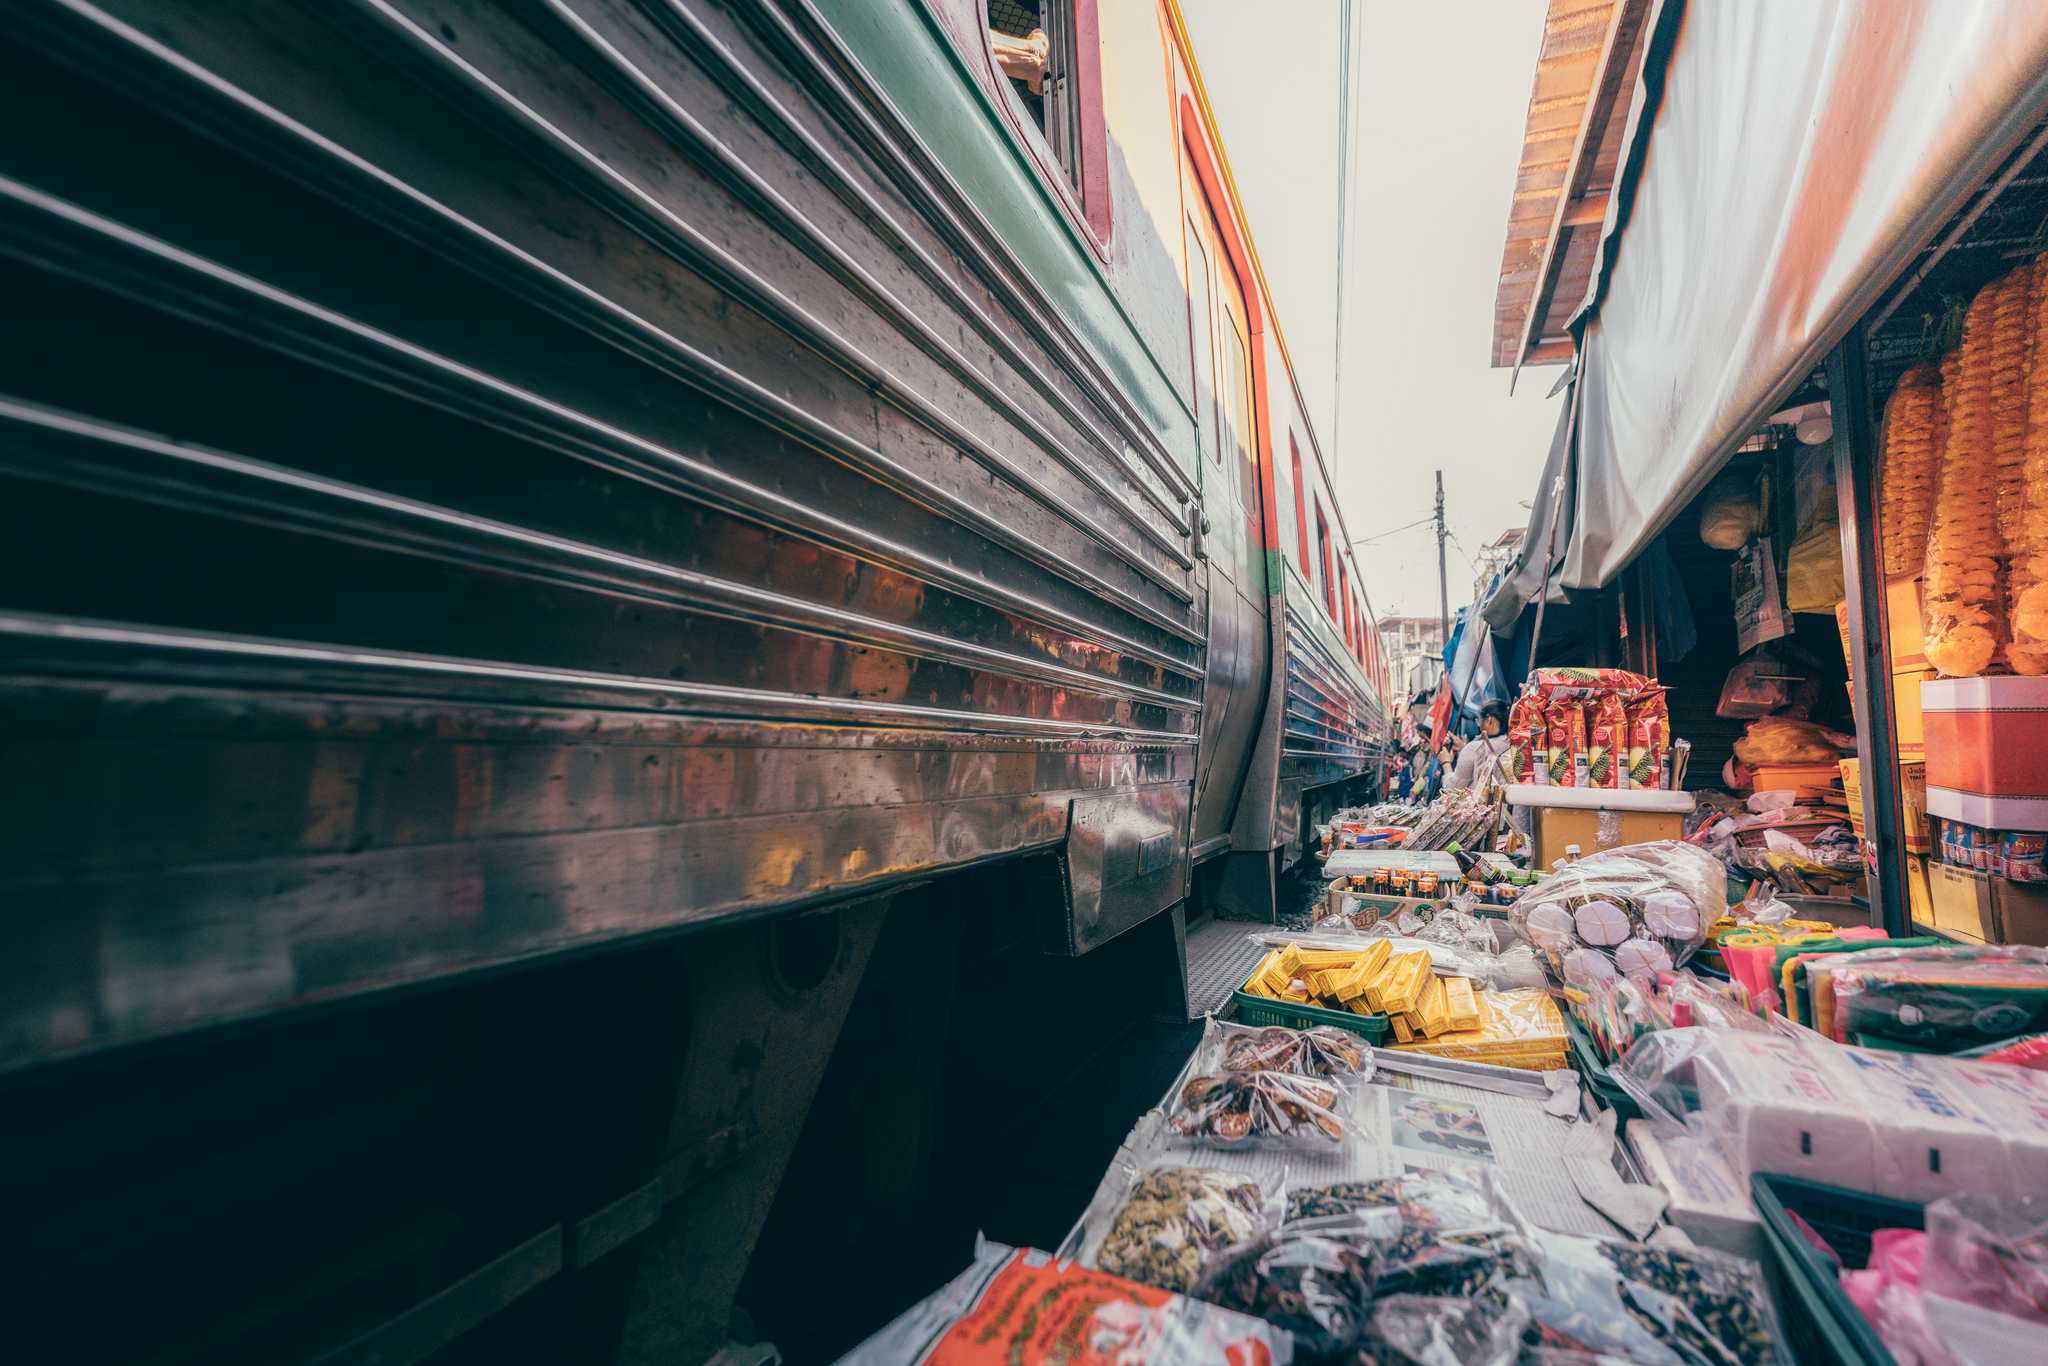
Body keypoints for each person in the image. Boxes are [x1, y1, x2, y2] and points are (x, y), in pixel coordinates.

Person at [1450, 700, 1513, 792]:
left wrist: (1446, 763)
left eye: (1478, 720)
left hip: (1478, 805)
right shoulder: (1511, 744)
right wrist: (1463, 748)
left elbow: (1453, 789)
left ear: (1489, 720)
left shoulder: (1474, 748)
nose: (1478, 725)